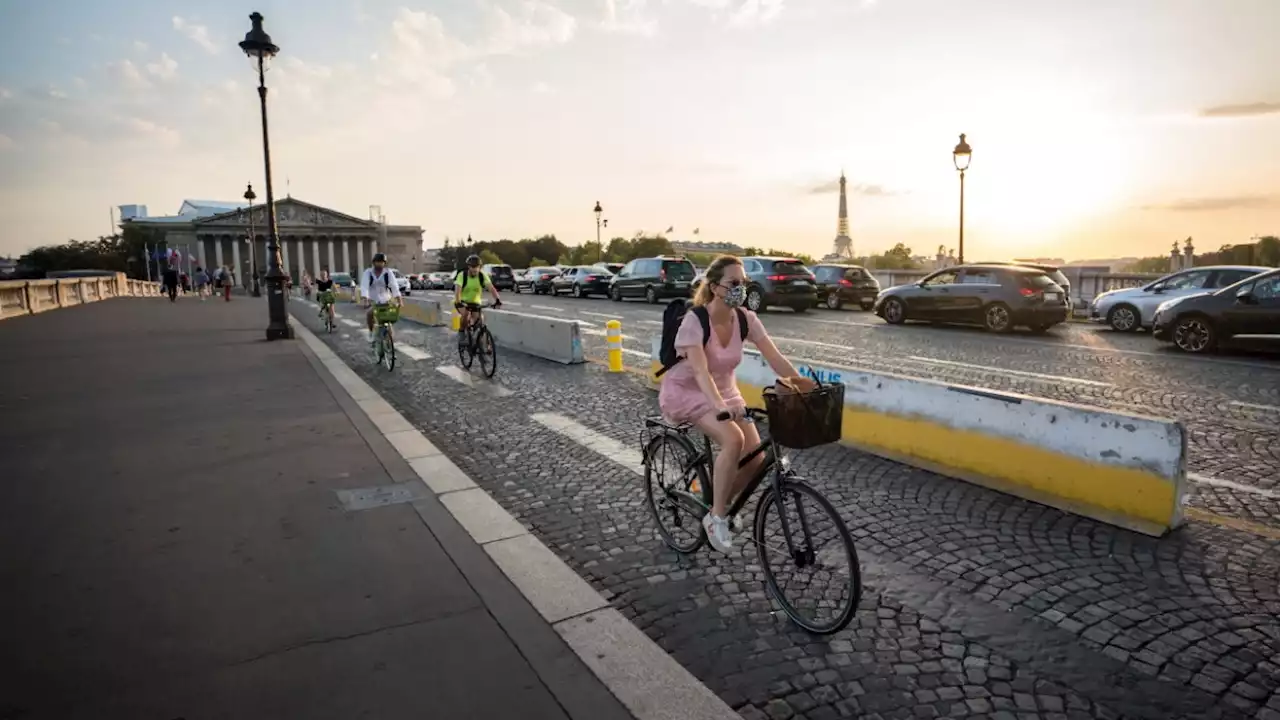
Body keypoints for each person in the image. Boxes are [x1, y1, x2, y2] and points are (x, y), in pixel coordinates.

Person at [657, 254, 814, 553]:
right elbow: (701, 371)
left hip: (726, 391)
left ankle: (720, 498)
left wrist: (804, 386)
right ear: (715, 287)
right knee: (734, 439)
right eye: (734, 283)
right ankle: (716, 518)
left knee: (755, 458)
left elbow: (774, 356)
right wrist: (718, 407)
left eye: (744, 283)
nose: (740, 289)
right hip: (690, 390)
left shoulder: (745, 318)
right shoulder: (695, 320)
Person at [453, 254, 502, 344]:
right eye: (472, 267)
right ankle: (462, 331)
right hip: (462, 301)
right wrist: (458, 301)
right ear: (469, 267)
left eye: (477, 267)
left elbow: (491, 288)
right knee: (466, 315)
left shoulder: (482, 275)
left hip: (475, 302)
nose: (475, 269)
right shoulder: (462, 275)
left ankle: (479, 341)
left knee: (479, 320)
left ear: (480, 267)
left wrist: (497, 299)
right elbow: (458, 291)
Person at [360, 253, 403, 344]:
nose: (380, 264)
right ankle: (371, 332)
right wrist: (365, 299)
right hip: (373, 300)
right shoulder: (368, 273)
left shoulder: (388, 273)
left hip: (385, 299)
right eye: (378, 262)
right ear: (374, 263)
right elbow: (364, 286)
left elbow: (394, 286)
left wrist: (399, 300)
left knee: (388, 318)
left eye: (382, 262)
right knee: (369, 314)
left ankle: (390, 341)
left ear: (384, 263)